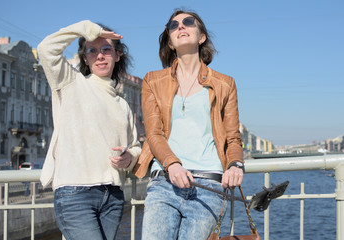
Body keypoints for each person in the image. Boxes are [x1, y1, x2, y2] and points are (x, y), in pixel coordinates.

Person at [132, 9, 244, 240]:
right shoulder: (152, 80)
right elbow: (154, 134)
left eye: (188, 22)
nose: (180, 26)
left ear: (201, 37)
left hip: (209, 186)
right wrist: (172, 165)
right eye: (173, 26)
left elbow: (233, 138)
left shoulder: (225, 83)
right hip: (165, 181)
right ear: (171, 42)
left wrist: (236, 165)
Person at [37, 20, 141, 240]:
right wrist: (85, 28)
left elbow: (135, 147)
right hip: (76, 193)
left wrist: (129, 157)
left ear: (117, 55)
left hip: (112, 196)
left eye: (106, 49)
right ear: (85, 58)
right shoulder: (71, 83)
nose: (100, 55)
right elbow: (46, 49)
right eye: (92, 51)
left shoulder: (123, 104)